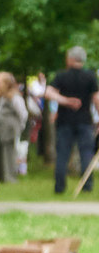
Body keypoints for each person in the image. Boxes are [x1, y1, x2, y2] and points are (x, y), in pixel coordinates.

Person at [48, 44, 98, 195]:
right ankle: (87, 186)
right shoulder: (90, 76)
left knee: (62, 154)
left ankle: (59, 187)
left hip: (65, 121)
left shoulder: (61, 76)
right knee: (86, 153)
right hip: (85, 121)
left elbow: (49, 93)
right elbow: (97, 99)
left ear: (70, 59)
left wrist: (65, 101)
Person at [0, 71, 28, 185]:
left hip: (9, 129)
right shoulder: (1, 97)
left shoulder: (15, 97)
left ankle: (9, 177)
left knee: (8, 153)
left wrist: (19, 127)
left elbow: (23, 113)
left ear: (7, 83)